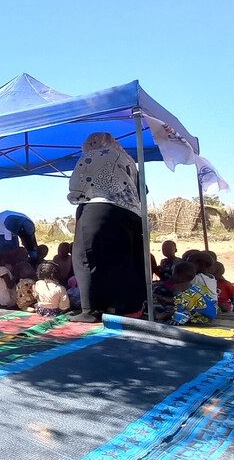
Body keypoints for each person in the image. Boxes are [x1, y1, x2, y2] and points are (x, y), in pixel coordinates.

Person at [67, 132, 146, 323]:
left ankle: (90, 310)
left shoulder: (94, 155)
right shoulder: (128, 160)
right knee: (121, 260)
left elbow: (77, 185)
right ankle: (125, 307)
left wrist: (75, 198)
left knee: (84, 257)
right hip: (132, 214)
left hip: (99, 208)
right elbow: (142, 189)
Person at [166, 261, 217, 325]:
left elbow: (180, 304)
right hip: (211, 315)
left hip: (201, 318)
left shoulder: (178, 288)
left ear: (177, 275)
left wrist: (176, 320)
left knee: (174, 310)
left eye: (173, 272)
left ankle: (161, 316)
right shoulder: (198, 287)